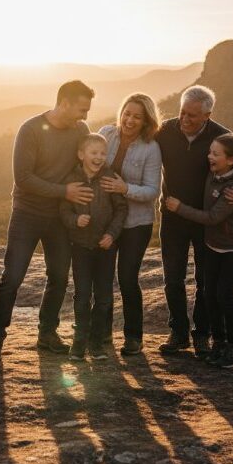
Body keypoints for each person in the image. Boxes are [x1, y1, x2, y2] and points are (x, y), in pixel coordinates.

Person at [0, 80, 95, 363]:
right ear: (65, 102)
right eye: (81, 109)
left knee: (58, 276)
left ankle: (47, 334)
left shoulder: (80, 130)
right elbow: (24, 178)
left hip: (59, 216)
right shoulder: (31, 129)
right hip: (28, 214)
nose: (85, 117)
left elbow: (86, 163)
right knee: (13, 276)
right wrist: (64, 190)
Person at [155, 86, 233, 357]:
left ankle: (202, 335)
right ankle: (178, 332)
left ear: (208, 115)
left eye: (192, 115)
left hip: (205, 222)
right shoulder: (165, 130)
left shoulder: (220, 135)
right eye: (182, 112)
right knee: (172, 278)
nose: (184, 120)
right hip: (172, 218)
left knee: (204, 282)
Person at [97, 93, 162, 356]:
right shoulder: (106, 133)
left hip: (136, 223)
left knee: (126, 278)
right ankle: (101, 335)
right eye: (127, 113)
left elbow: (152, 191)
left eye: (137, 116)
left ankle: (133, 337)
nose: (129, 120)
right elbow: (87, 159)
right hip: (107, 220)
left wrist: (125, 189)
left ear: (146, 120)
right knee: (102, 279)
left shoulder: (150, 148)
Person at [60, 133, 128, 361]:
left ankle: (96, 344)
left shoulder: (110, 178)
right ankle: (79, 343)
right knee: (81, 296)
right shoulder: (71, 179)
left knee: (104, 297)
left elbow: (121, 210)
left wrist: (111, 234)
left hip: (105, 247)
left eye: (102, 153)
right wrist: (74, 221)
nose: (99, 157)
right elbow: (63, 211)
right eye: (93, 153)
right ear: (81, 154)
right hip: (80, 246)